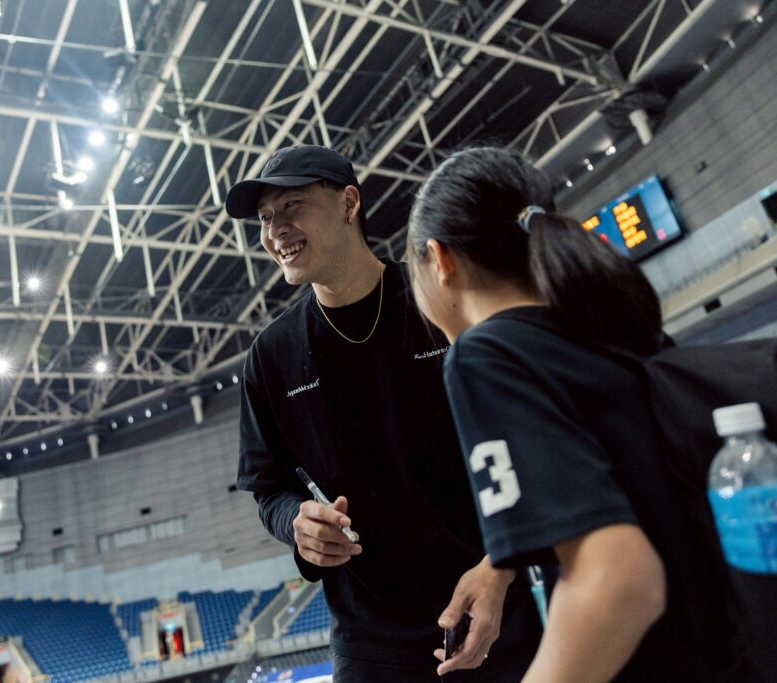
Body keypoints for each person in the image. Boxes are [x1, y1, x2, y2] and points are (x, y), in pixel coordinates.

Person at [405, 147, 741, 682]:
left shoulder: (484, 354)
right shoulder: (607, 329)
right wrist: (501, 564)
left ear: (440, 261)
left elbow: (618, 580)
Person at [226, 145, 542, 681]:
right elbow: (269, 489)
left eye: (293, 206)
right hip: (369, 640)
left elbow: (526, 441)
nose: (275, 230)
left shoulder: (441, 301)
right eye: (264, 217)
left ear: (349, 204)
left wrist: (501, 567)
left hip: (489, 605)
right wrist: (297, 522)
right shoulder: (271, 356)